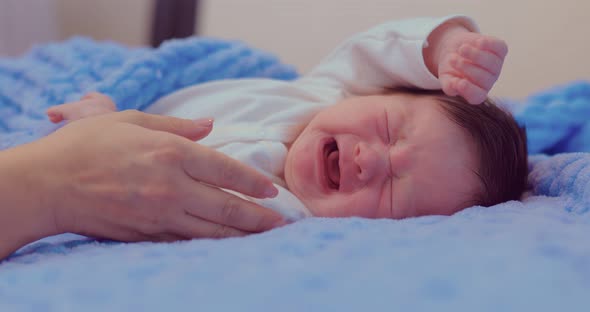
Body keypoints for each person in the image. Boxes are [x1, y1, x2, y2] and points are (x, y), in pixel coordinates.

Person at [47, 15, 528, 221]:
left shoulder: (282, 212)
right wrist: (447, 47)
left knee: (105, 152)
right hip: (150, 100)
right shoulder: (328, 90)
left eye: (396, 194)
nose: (371, 161)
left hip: (127, 155)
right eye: (388, 128)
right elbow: (383, 49)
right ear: (377, 90)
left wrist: (101, 131)